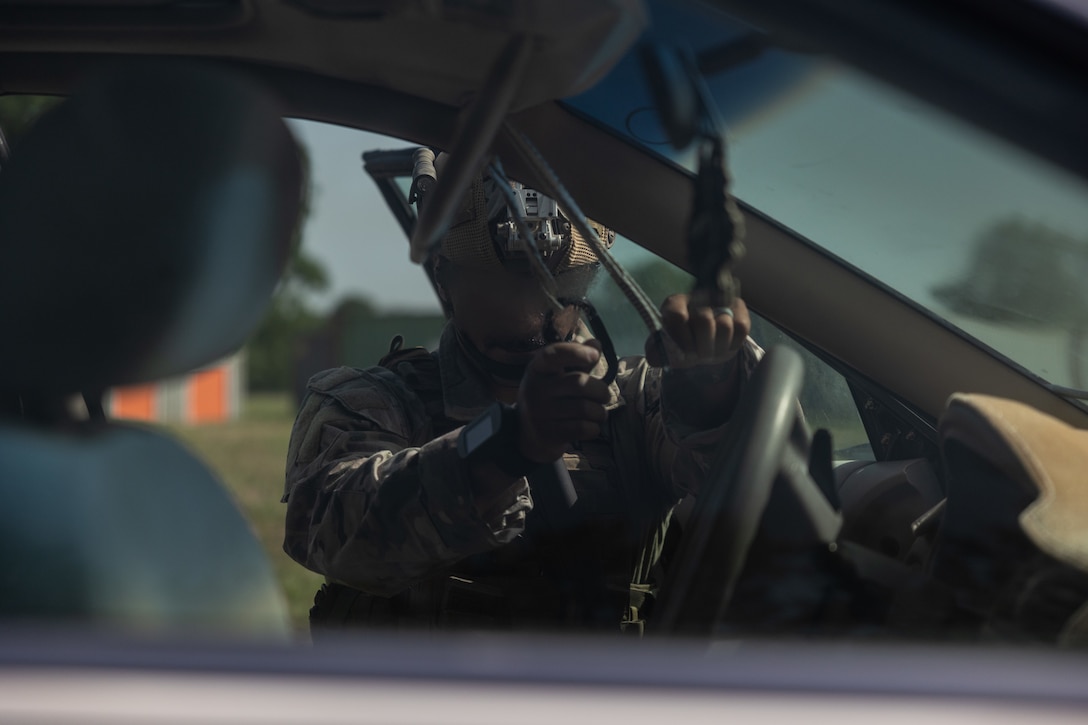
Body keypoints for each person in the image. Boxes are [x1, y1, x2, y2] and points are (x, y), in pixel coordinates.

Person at [281, 157, 762, 634]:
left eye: (557, 292)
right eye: (499, 289)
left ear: (588, 281)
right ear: (444, 278)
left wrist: (711, 382)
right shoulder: (369, 403)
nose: (533, 320)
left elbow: (749, 476)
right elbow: (336, 535)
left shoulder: (638, 401)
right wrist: (505, 445)